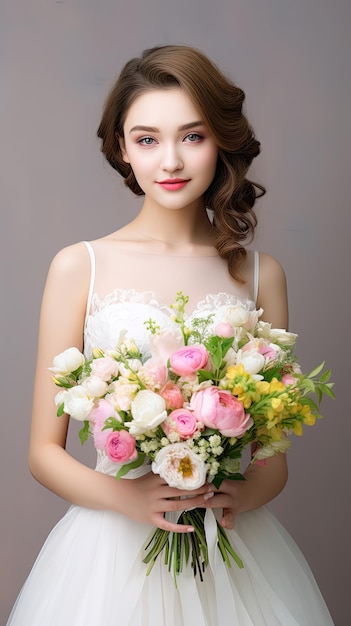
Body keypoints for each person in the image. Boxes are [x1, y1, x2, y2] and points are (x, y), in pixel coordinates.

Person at [7, 45, 333, 625]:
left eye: (193, 135)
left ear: (221, 141)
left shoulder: (262, 274)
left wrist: (241, 495)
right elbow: (41, 452)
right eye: (147, 139)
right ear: (122, 150)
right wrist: (129, 498)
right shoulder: (79, 265)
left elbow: (275, 460)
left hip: (233, 548)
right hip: (110, 548)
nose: (171, 161)